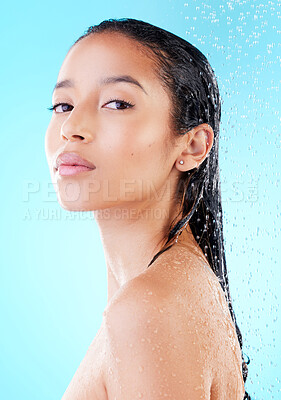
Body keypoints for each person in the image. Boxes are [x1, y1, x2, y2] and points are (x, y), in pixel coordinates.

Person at [45, 18, 251, 400]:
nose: (71, 126)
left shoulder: (150, 308)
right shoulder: (167, 287)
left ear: (191, 146)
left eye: (117, 103)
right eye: (63, 104)